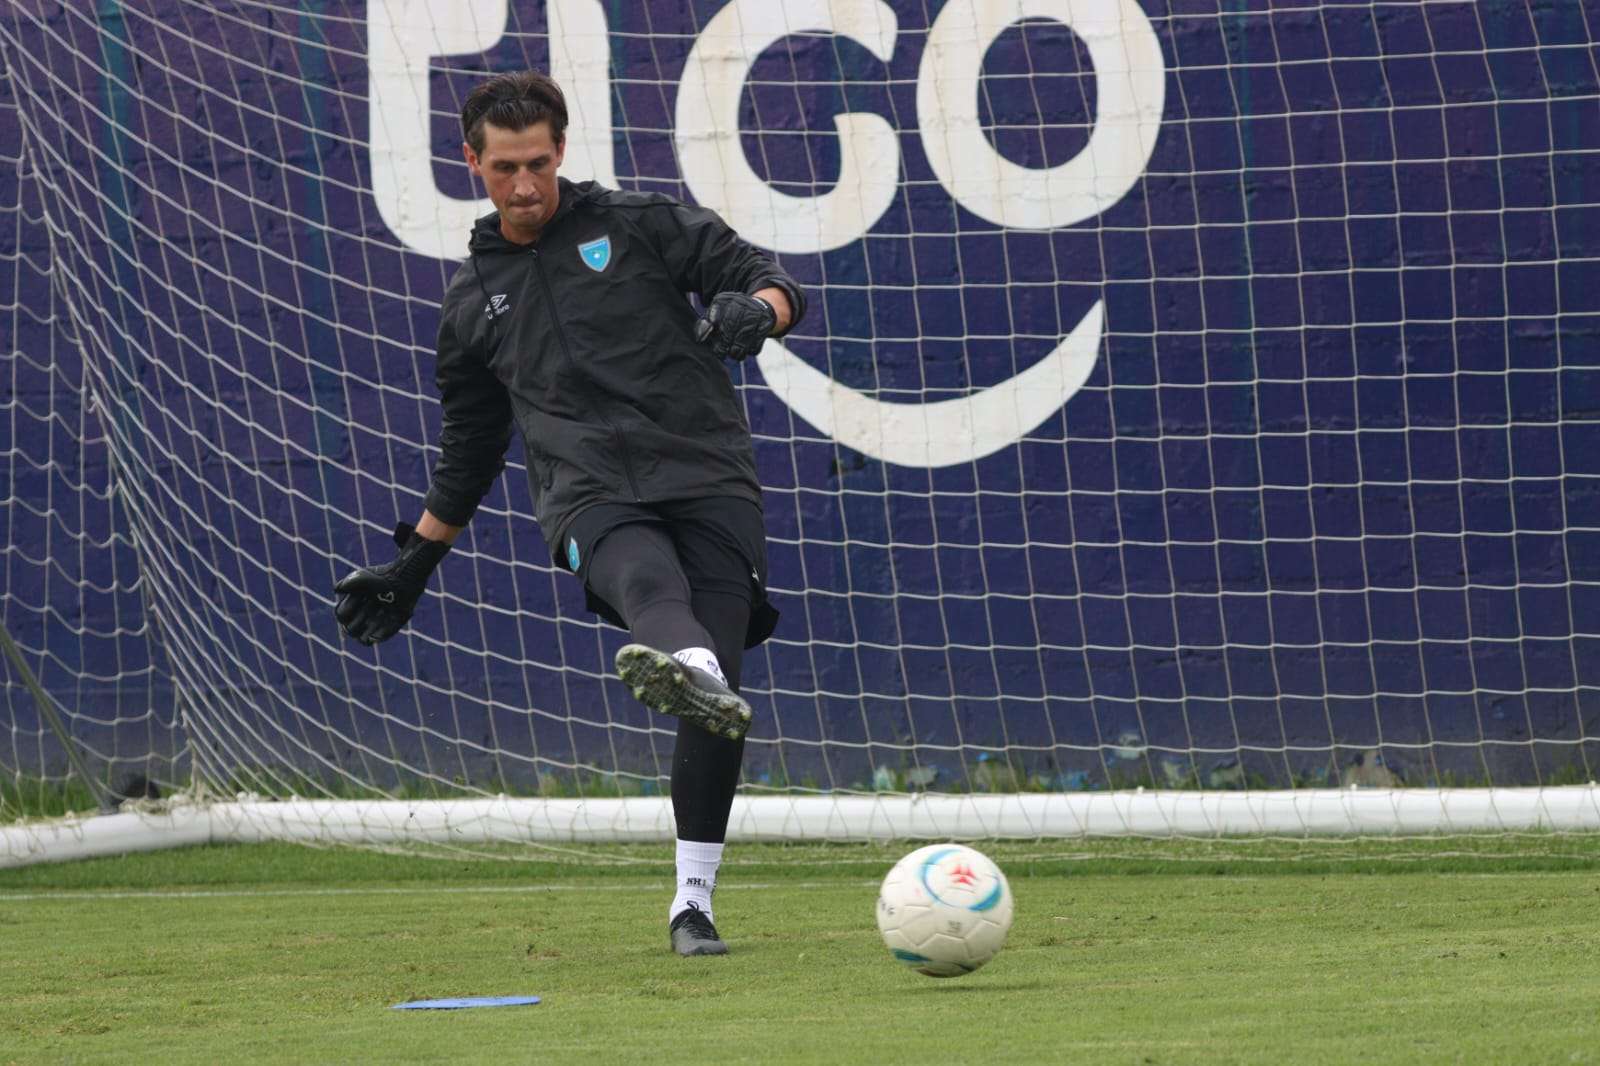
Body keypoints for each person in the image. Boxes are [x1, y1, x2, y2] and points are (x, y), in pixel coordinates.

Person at [332, 71, 805, 957]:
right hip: (587, 495)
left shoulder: (641, 225)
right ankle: (689, 662)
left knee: (718, 696)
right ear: (471, 162)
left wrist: (757, 312)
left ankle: (691, 904)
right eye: (504, 167)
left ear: (560, 153)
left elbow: (769, 282)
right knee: (651, 588)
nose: (524, 185)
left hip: (707, 475)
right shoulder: (471, 303)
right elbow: (470, 452)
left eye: (538, 164)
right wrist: (415, 563)